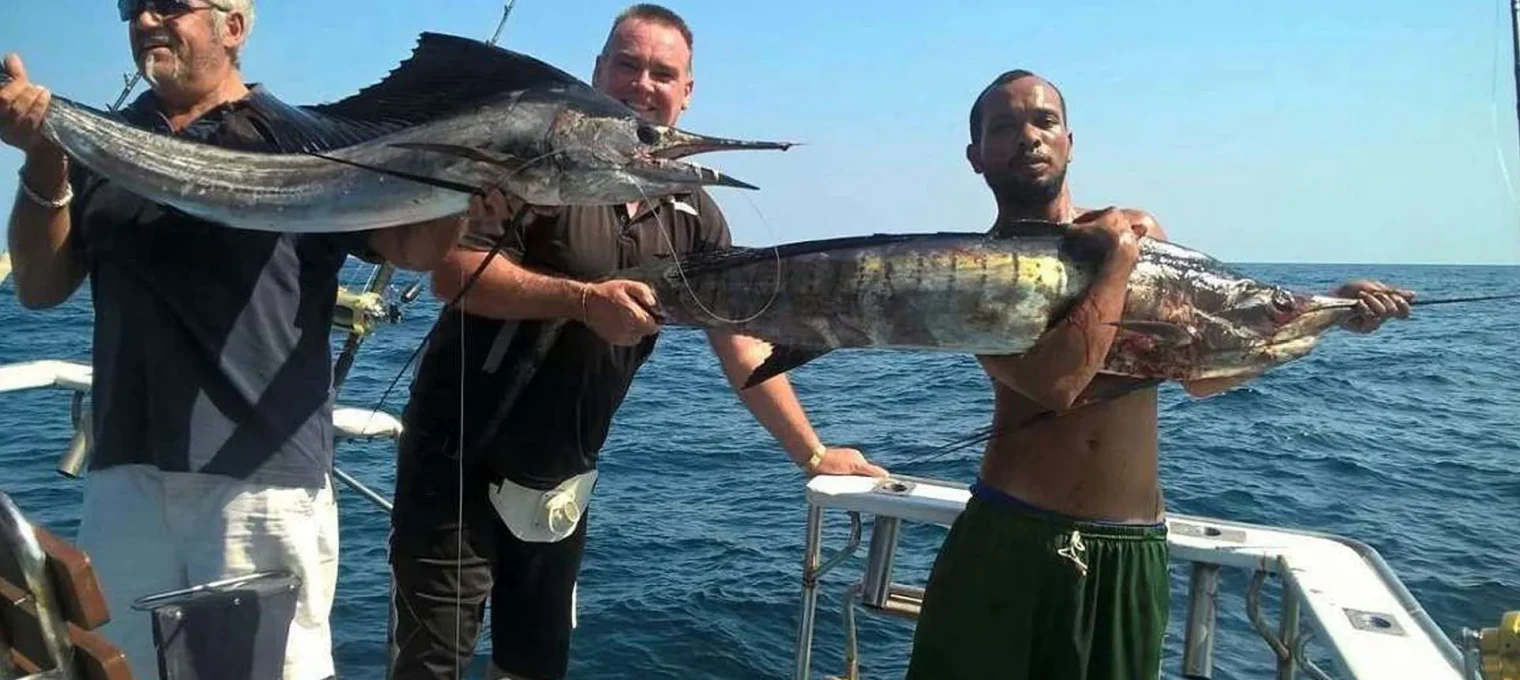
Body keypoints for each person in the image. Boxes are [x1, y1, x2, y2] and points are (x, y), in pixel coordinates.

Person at [384, 4, 890, 680]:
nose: (642, 83)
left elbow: (738, 342)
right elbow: (453, 274)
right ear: (597, 72)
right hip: (455, 461)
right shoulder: (535, 163)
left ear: (686, 94)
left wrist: (815, 453)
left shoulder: (694, 212)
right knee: (430, 667)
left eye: (663, 72)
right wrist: (582, 301)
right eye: (627, 64)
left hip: (560, 479)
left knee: (533, 667)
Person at [0, 1, 467, 678]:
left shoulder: (307, 140)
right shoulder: (105, 138)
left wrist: (465, 182)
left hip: (261, 485)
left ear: (234, 26)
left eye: (172, 5)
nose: (148, 19)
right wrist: (45, 160)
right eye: (135, 5)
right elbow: (41, 289)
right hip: (126, 474)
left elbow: (413, 246)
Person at [903, 69, 1415, 680]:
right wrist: (1117, 263)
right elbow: (1055, 386)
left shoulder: (1142, 230)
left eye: (1044, 121)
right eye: (1004, 127)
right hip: (1007, 534)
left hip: (1129, 547)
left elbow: (1199, 372)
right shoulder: (968, 271)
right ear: (976, 157)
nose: (1029, 138)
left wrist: (1325, 314)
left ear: (1070, 140)